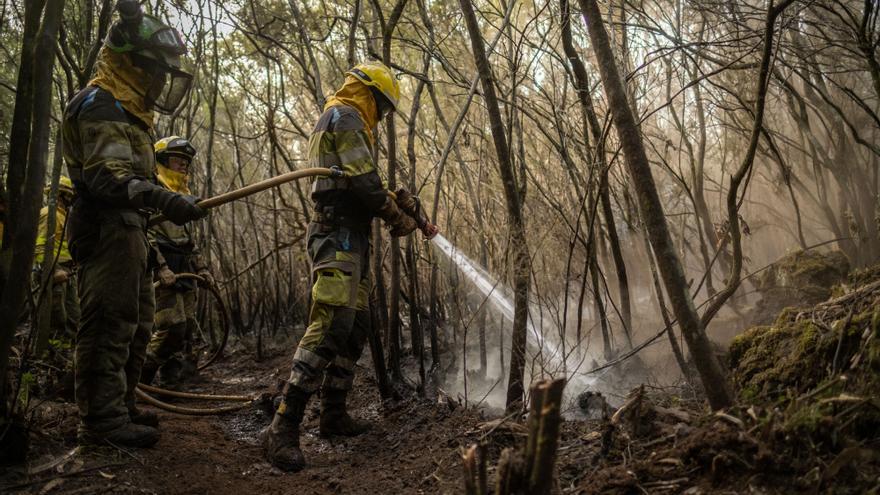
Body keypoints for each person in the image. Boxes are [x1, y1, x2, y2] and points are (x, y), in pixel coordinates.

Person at [263, 60, 439, 472]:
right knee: (331, 324)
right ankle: (282, 427)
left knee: (356, 325)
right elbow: (363, 183)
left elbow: (364, 181)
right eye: (382, 104)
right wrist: (397, 215)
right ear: (368, 94)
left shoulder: (351, 120)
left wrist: (397, 203)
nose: (384, 114)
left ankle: (334, 414)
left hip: (353, 236)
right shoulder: (344, 115)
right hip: (335, 233)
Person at [63, 0, 206, 448]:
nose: (159, 81)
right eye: (153, 70)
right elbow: (109, 178)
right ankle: (100, 423)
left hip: (130, 230)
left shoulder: (128, 112)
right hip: (106, 230)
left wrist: (164, 202)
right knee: (109, 322)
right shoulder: (99, 103)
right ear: (129, 64)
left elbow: (136, 181)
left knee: (140, 324)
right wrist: (167, 198)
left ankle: (121, 406)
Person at [141, 136, 212, 388]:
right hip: (164, 269)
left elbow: (189, 239)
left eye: (186, 161)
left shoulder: (184, 196)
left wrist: (201, 267)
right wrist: (161, 267)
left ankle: (171, 384)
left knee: (187, 327)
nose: (184, 165)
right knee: (172, 327)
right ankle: (141, 378)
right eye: (177, 160)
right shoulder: (152, 191)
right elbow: (146, 234)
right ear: (162, 161)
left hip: (184, 268)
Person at [34, 176, 80, 344]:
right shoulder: (48, 215)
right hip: (55, 270)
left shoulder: (66, 216)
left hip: (68, 270)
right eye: (68, 196)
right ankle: (51, 350)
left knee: (73, 315)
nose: (71, 199)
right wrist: (52, 270)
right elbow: (39, 245)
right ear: (60, 195)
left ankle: (66, 348)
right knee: (56, 315)